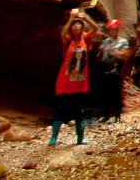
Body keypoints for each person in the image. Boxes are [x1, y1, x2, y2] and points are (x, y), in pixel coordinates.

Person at [51, 8, 99, 145]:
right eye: (74, 25)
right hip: (65, 80)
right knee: (60, 108)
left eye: (79, 24)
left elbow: (95, 28)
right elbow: (63, 33)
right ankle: (53, 138)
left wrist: (84, 18)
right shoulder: (67, 41)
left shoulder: (86, 39)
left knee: (78, 110)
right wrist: (72, 18)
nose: (76, 26)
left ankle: (80, 138)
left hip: (79, 81)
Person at [93, 18, 132, 123]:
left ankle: (116, 116)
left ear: (117, 29)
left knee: (116, 94)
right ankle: (105, 115)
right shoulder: (105, 41)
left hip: (115, 72)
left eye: (113, 29)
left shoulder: (122, 41)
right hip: (104, 71)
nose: (111, 31)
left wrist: (112, 51)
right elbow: (99, 54)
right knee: (104, 94)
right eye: (110, 29)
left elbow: (124, 55)